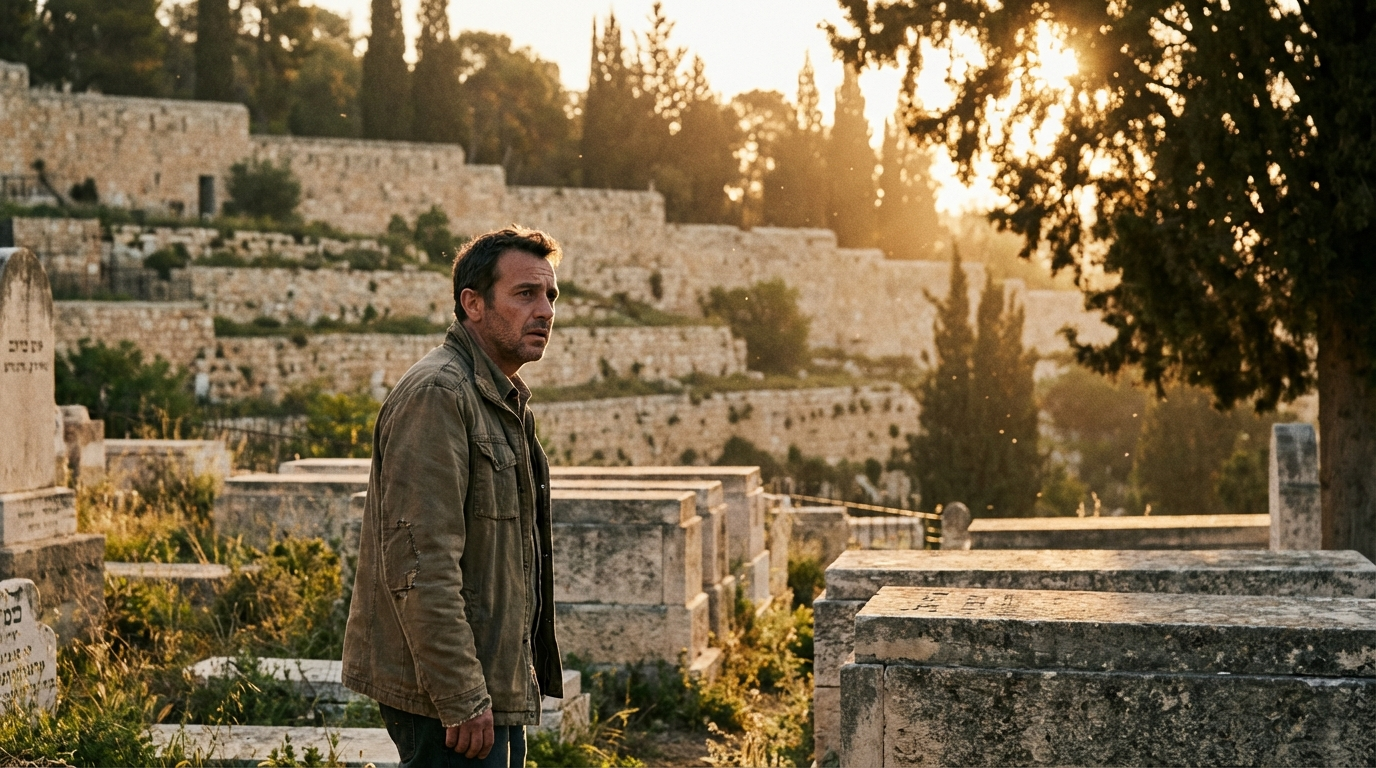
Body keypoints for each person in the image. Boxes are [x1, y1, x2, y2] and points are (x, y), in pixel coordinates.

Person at [342, 227, 564, 768]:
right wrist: (461, 695)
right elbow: (421, 563)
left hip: (492, 689)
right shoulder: (440, 394)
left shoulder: (496, 396)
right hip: (450, 704)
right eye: (524, 294)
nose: (545, 311)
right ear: (473, 303)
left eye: (550, 296)